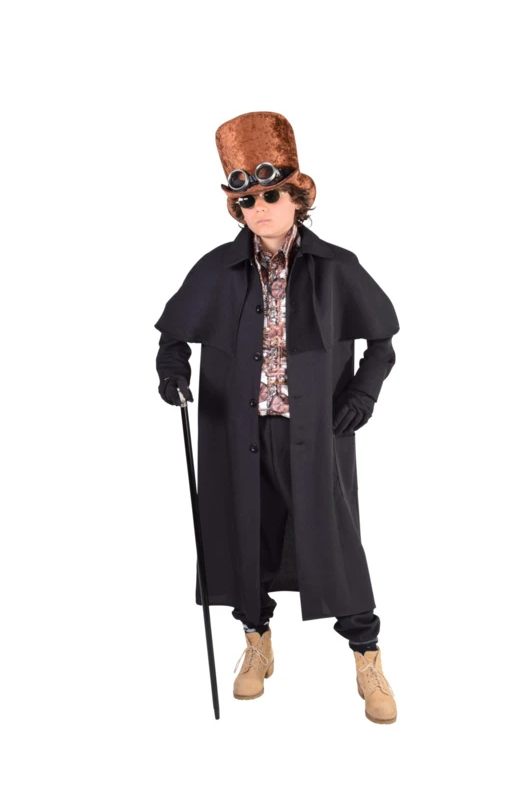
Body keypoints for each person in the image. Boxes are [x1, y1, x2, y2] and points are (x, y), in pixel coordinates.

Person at [155, 112, 399, 723]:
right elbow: (173, 336)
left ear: (296, 197)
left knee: (335, 539)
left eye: (270, 196)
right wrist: (173, 373)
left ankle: (367, 656)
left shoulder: (337, 267)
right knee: (246, 533)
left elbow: (383, 342)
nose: (259, 208)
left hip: (316, 432)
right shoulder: (216, 268)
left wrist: (363, 395)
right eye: (246, 201)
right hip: (237, 432)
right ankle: (256, 641)